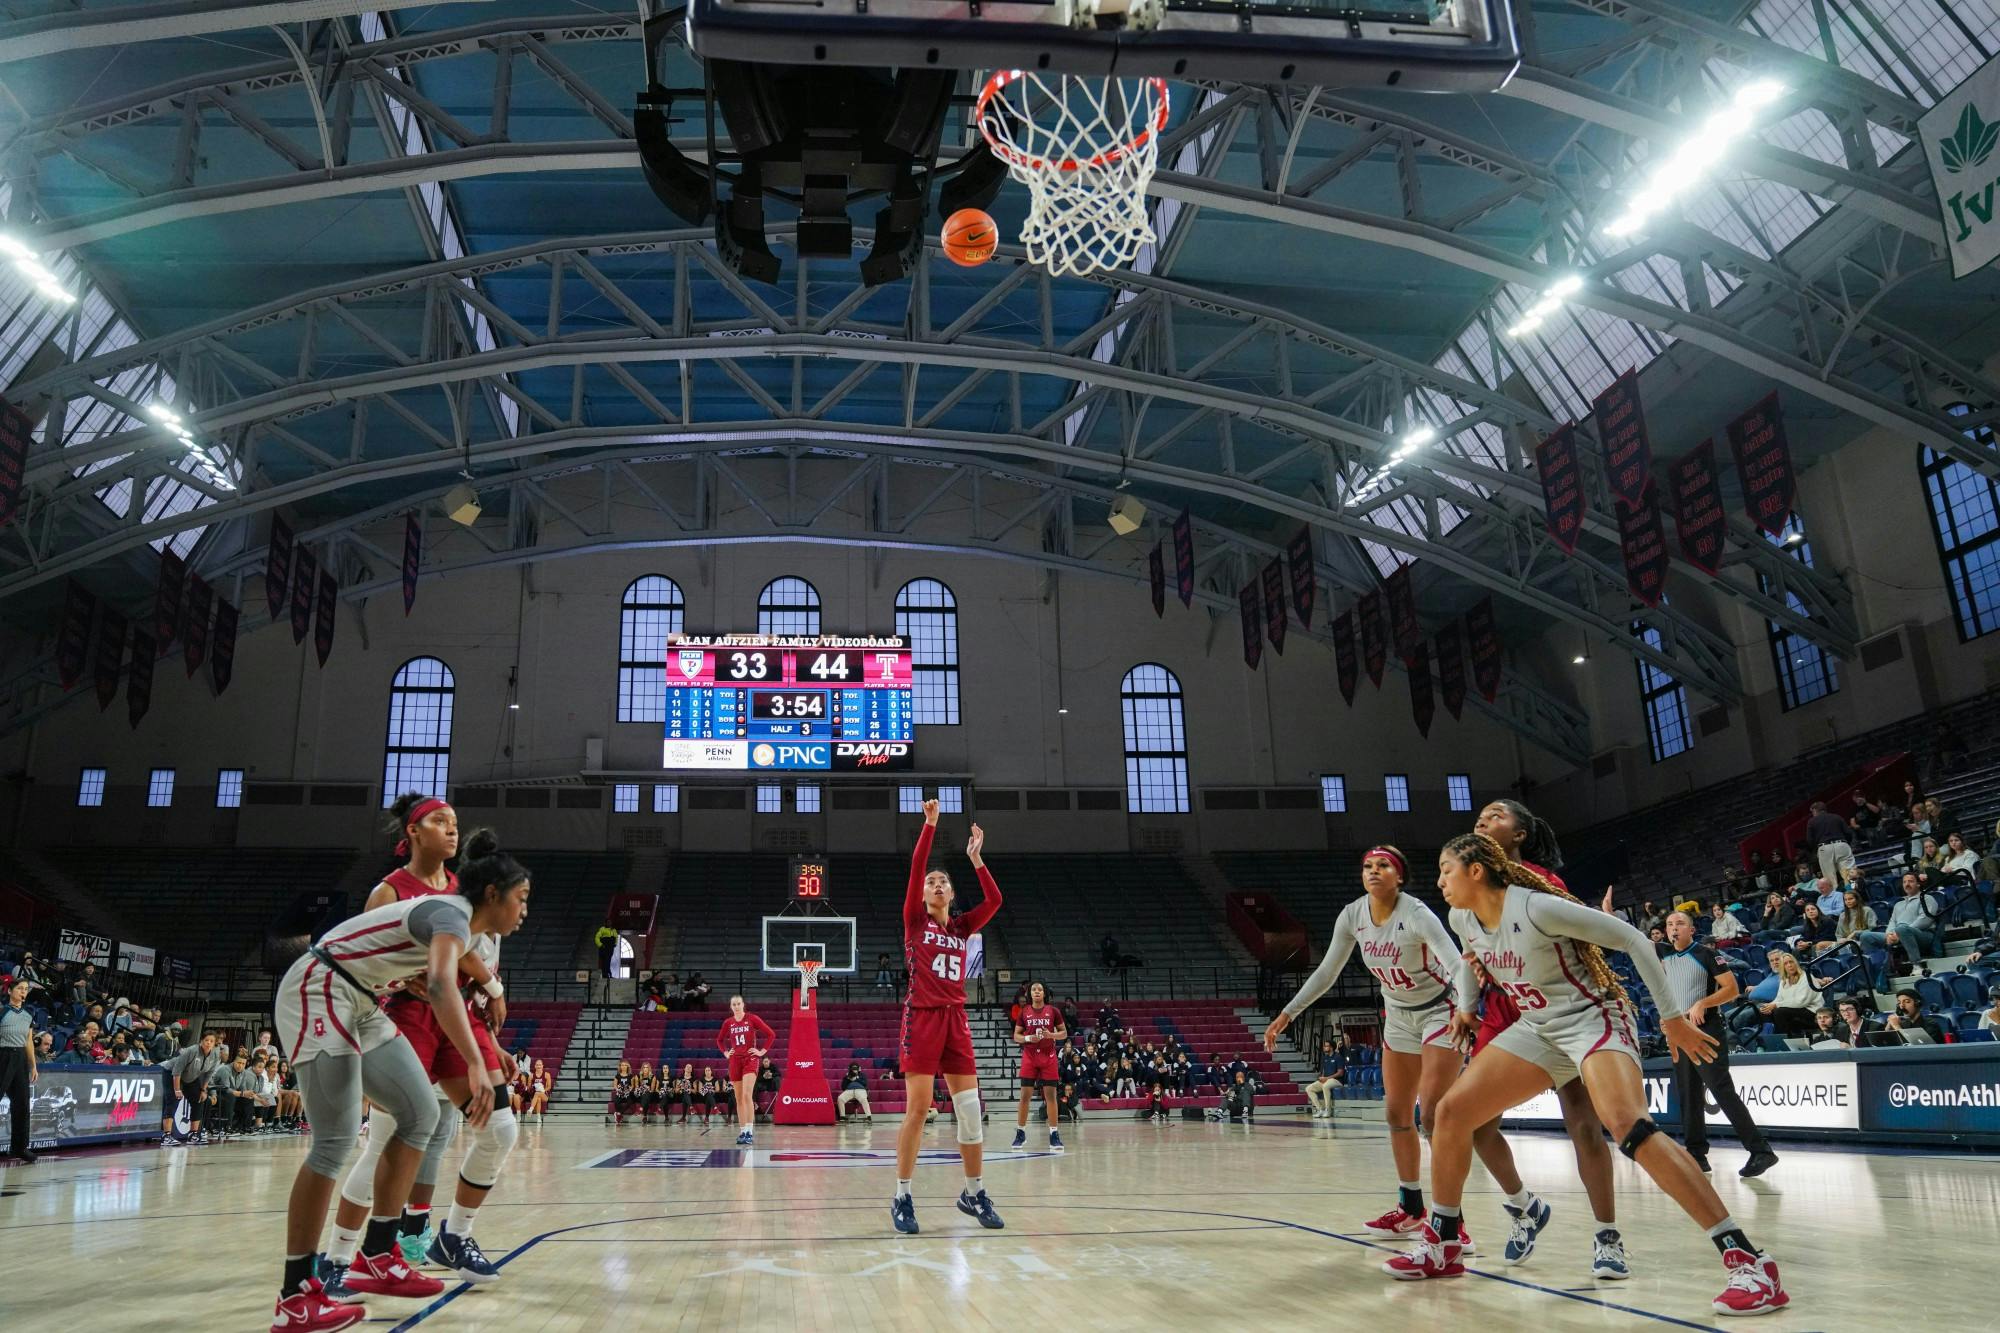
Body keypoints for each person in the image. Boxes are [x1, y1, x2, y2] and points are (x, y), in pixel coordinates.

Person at [1388, 834, 1789, 1318]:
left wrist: (1671, 1018)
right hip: (1538, 1029)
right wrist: (1469, 1007)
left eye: (1445, 870)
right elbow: (1474, 961)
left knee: (1630, 1127)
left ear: (1476, 871)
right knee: (1451, 1113)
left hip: (1594, 1017)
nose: (1439, 882)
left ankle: (1748, 1261)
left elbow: (1635, 939)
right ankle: (1445, 1242)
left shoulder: (1536, 907)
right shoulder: (1460, 918)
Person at [267, 827, 527, 1333]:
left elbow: (449, 979)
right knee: (335, 1142)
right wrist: (475, 1060)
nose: (524, 912)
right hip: (321, 990)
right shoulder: (451, 913)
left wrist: (485, 1034)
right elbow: (437, 985)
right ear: (491, 895)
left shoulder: (464, 927)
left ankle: (377, 1255)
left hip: (362, 999)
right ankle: (296, 1294)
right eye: (521, 900)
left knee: (422, 1115)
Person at [324, 800, 521, 1292]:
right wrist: (398, 982)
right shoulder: (388, 890)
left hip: (456, 1016)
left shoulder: (460, 892)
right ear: (413, 832)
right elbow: (366, 961)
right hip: (405, 1017)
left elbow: (468, 959)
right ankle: (338, 1256)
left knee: (500, 1129)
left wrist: (491, 1027)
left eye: (456, 824)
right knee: (385, 1145)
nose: (452, 831)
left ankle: (453, 1235)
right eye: (441, 822)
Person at [1266, 844, 1488, 1248]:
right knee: (1396, 1113)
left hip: (1441, 1009)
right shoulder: (1353, 915)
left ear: (1399, 876)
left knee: (1435, 1115)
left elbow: (1457, 965)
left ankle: (1452, 1222)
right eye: (1367, 865)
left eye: (1383, 865)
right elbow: (1327, 972)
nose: (1373, 871)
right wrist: (1289, 1012)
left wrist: (1468, 1009)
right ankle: (1411, 1207)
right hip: (1399, 1015)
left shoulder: (1417, 913)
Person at [1467, 799, 1625, 1278]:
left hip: (1554, 1007)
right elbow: (1472, 953)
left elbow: (1577, 950)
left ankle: (1608, 1237)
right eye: (1480, 816)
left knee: (1583, 1125)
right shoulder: (1469, 886)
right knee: (1474, 1125)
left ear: (1519, 835)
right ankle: (1524, 1207)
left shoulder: (1543, 884)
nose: (1483, 819)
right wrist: (1464, 1004)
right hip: (1501, 1009)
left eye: (1496, 815)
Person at [892, 800, 1004, 1235]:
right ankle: (902, 1195)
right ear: (923, 893)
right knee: (918, 1110)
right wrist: (930, 825)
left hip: (956, 1020)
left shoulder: (961, 929)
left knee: (970, 1111)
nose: (937, 884)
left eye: (944, 882)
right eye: (932, 882)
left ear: (952, 894)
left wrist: (977, 860)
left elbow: (994, 899)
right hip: (921, 1019)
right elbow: (917, 865)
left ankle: (973, 1192)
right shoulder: (915, 922)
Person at [1655, 912, 1779, 1179]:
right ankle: (1696, 1155)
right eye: (1669, 924)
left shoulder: (1706, 954)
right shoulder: (1663, 953)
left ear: (1691, 929)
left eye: (1679, 924)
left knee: (1721, 1089)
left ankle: (1761, 1151)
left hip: (1706, 1029)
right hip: (1680, 1031)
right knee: (1688, 1093)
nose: (1673, 928)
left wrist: (1703, 1003)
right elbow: (1629, 940)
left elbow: (1731, 989)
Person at [1010, 980, 1068, 1153]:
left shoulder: (1053, 1011)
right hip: (1029, 1056)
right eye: (1033, 989)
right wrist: (1028, 1038)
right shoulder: (1024, 1012)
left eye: (1040, 989)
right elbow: (1016, 1036)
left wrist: (1051, 1035)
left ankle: (1054, 1135)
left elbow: (1064, 1033)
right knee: (1024, 1096)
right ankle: (1020, 1133)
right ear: (1029, 993)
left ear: (1044, 993)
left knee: (1050, 1096)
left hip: (1048, 1056)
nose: (1036, 992)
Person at [1855, 872, 1938, 986]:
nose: (1907, 884)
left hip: (1922, 935)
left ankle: (1917, 965)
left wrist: (1900, 932)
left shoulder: (1927, 898)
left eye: (1910, 881)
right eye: (1904, 882)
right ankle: (1878, 971)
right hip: (1898, 934)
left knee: (1902, 928)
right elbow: (1892, 922)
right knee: (1866, 936)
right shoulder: (1898, 904)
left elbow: (1925, 919)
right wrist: (1889, 934)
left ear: (1918, 884)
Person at [717, 994, 775, 1146]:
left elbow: (771, 1034)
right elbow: (719, 1040)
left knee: (747, 1094)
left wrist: (762, 1051)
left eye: (738, 1004)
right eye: (733, 1004)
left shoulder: (752, 1018)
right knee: (739, 1098)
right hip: (735, 1060)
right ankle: (742, 1131)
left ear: (743, 1005)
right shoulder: (728, 1022)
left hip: (750, 1059)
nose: (736, 1006)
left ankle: (749, 1132)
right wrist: (725, 1052)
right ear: (731, 1007)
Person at [162, 1031, 222, 1146]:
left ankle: (193, 1134)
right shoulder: (191, 1051)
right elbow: (177, 1070)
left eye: (211, 1041)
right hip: (172, 1074)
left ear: (214, 1044)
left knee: (199, 1099)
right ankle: (166, 1136)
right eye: (206, 1040)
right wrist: (177, 1089)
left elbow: (209, 1074)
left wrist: (203, 1090)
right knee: (172, 1101)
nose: (208, 1043)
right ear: (201, 1041)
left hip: (190, 1077)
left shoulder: (215, 1055)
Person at [1, 977, 37, 1163]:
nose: (23, 992)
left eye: (26, 989)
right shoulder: (2, 1011)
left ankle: (19, 1148)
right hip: (2, 1055)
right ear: (10, 991)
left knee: (22, 1104)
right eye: (20, 988)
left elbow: (28, 1041)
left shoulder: (28, 1014)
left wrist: (33, 1065)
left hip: (20, 1058)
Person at [1757, 951, 1823, 1040]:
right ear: (1782, 967)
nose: (1789, 965)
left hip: (1812, 1012)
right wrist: (1768, 1006)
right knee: (1764, 1012)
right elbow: (1779, 999)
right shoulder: (1784, 981)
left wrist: (1776, 1005)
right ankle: (1767, 1041)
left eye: (1791, 962)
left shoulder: (1806, 977)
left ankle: (1785, 1040)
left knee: (1779, 1012)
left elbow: (1801, 1002)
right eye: (1785, 964)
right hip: (1794, 1010)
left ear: (1795, 963)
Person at [1805, 801, 1855, 894]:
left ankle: (1836, 897)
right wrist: (1846, 844)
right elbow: (1848, 833)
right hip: (1841, 844)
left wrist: (1817, 849)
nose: (1813, 814)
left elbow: (1810, 840)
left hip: (1824, 847)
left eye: (1812, 812)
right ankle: (1853, 893)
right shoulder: (1837, 817)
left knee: (1830, 878)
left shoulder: (1812, 821)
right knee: (1849, 873)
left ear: (1815, 810)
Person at [1304, 1037, 1345, 1118]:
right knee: (1308, 1088)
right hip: (1326, 1079)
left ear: (1331, 1047)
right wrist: (1322, 1077)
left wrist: (1327, 1078)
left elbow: (1340, 1073)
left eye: (1326, 1046)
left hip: (1337, 1081)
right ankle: (1320, 1110)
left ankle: (1328, 1110)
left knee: (1325, 1086)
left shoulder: (1338, 1057)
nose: (1324, 1047)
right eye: (1324, 1046)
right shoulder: (1324, 1058)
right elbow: (1323, 1072)